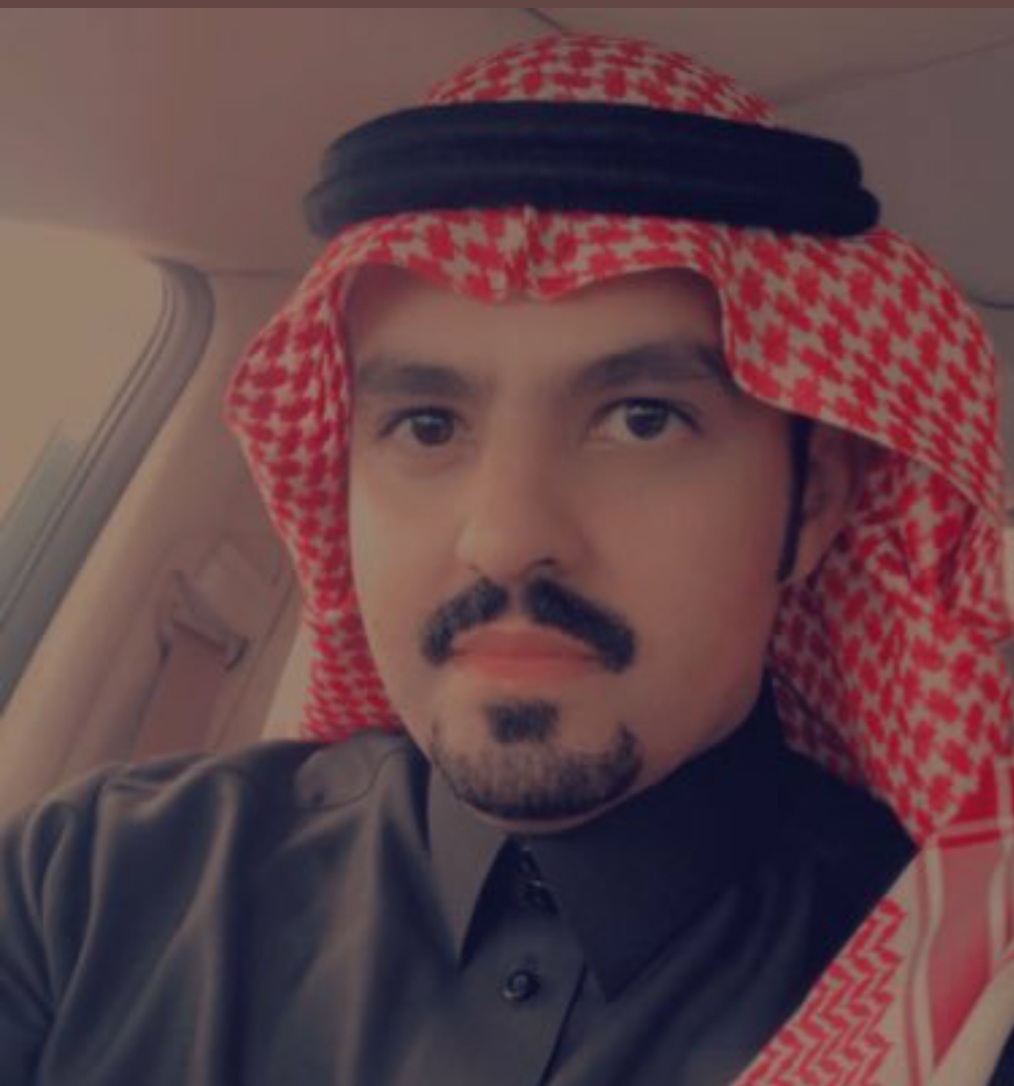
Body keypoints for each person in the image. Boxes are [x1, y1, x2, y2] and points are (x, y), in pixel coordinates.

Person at [2, 32, 1013, 1086]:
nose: (505, 534)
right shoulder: (85, 887)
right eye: (428, 426)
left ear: (813, 500)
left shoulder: (967, 1008)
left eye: (642, 419)